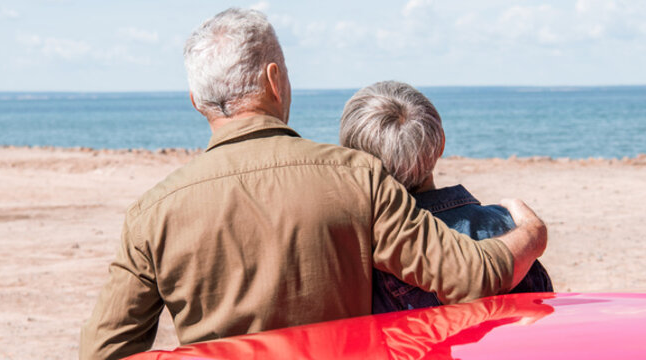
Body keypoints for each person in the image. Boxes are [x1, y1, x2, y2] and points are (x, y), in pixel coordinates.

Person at [79, 8, 548, 360]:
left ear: (196, 100)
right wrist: (530, 233)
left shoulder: (152, 214)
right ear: (274, 78)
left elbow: (104, 352)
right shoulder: (354, 176)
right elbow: (468, 275)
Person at [339, 81, 554, 314]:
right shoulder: (510, 229)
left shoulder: (355, 249)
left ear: (353, 157)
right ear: (441, 143)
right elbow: (539, 314)